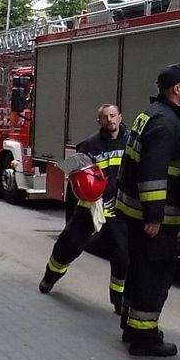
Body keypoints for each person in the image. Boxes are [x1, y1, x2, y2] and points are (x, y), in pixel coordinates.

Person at [115, 63, 180, 357]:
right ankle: (143, 337)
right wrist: (154, 217)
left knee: (140, 270)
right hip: (152, 217)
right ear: (176, 88)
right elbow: (153, 172)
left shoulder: (153, 115)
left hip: (134, 211)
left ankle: (132, 325)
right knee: (154, 275)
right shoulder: (165, 122)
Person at [39, 104, 130, 312]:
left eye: (113, 116)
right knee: (68, 243)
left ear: (120, 117)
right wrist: (79, 178)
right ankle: (50, 277)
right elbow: (67, 169)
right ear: (99, 121)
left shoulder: (131, 143)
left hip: (119, 209)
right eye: (105, 117)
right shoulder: (89, 145)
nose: (110, 120)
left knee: (123, 256)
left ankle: (119, 301)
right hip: (91, 206)